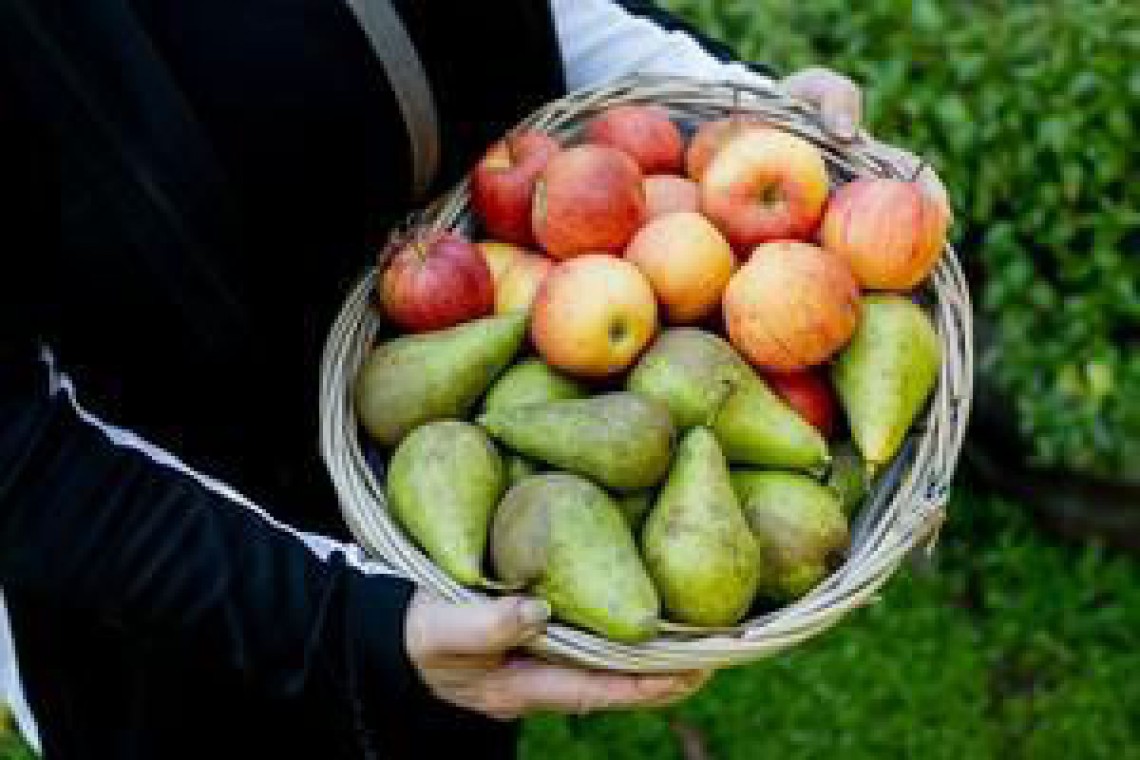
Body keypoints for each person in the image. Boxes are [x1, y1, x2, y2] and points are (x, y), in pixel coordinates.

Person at [0, 1, 924, 757]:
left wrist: (736, 110)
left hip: (484, 498)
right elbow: (21, 460)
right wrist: (353, 623)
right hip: (203, 621)